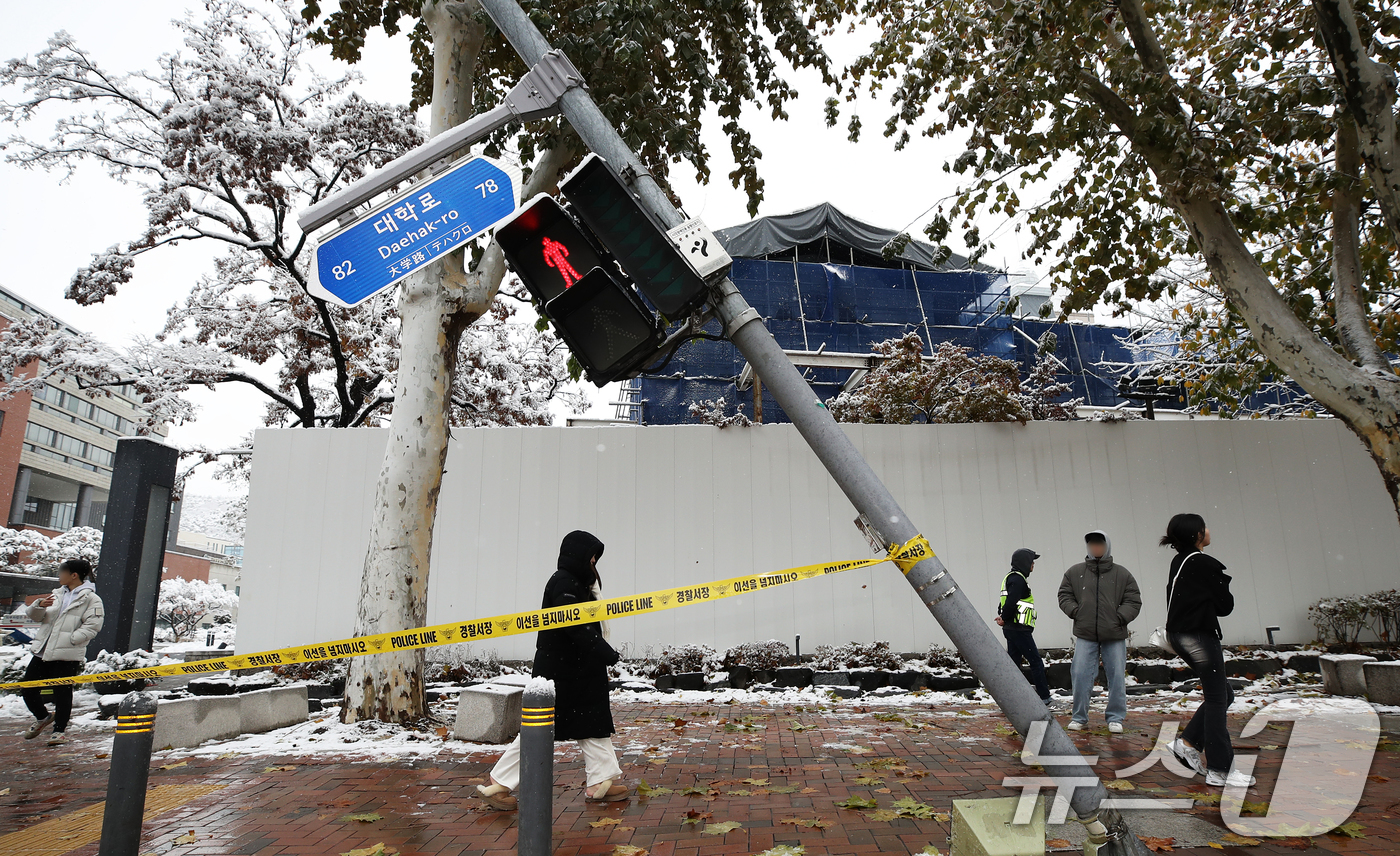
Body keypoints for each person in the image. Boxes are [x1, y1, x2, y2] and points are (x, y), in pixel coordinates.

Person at [478, 530, 630, 810]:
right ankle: (498, 782)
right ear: (579, 555)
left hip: (577, 672)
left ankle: (601, 781)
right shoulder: (564, 583)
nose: (595, 560)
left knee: (591, 724)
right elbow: (575, 626)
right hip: (562, 674)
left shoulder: (576, 583)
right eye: (592, 555)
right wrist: (605, 653)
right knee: (540, 730)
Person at [1160, 513, 1254, 788]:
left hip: (1179, 634)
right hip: (1199, 637)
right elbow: (1225, 606)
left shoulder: (1179, 561)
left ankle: (1188, 743)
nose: (1209, 531)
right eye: (1205, 528)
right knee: (1217, 699)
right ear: (1197, 535)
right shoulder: (1203, 563)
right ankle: (1220, 769)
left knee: (1224, 693)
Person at [1057, 531, 1140, 733]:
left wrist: (1119, 618)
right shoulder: (1074, 573)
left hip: (1114, 634)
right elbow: (1064, 595)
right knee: (1080, 674)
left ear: (1107, 546)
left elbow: (1133, 600)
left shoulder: (1122, 574)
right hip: (1085, 633)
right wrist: (1076, 612)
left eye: (1100, 544)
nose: (1096, 548)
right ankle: (1079, 717)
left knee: (1117, 676)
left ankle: (1115, 718)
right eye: (1092, 545)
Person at [22, 558, 104, 746]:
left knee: (62, 693)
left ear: (73, 575)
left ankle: (59, 730)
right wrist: (38, 606)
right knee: (28, 689)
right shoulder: (56, 594)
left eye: (62, 571)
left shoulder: (91, 599)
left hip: (66, 654)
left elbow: (93, 626)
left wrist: (72, 640)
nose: (59, 575)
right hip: (43, 651)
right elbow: (38, 618)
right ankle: (43, 717)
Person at [997, 548, 1052, 705]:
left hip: (1013, 629)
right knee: (1035, 662)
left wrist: (1002, 617)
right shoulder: (1018, 579)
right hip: (1019, 630)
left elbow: (1004, 602)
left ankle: (1008, 698)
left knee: (1013, 665)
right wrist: (1005, 618)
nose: (1033, 564)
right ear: (1024, 563)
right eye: (1031, 561)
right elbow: (1011, 602)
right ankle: (1045, 697)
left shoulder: (1011, 578)